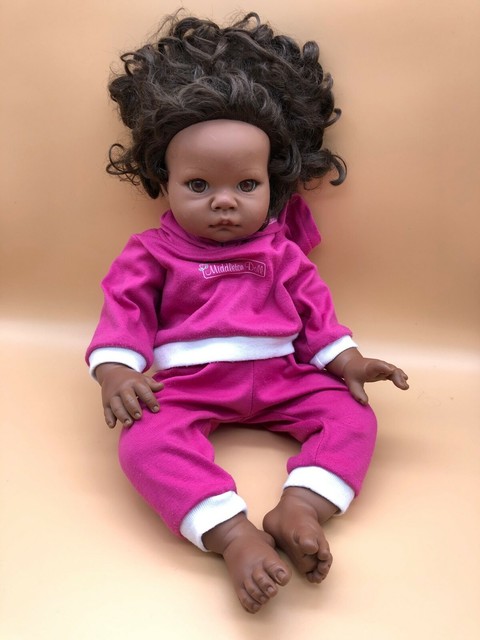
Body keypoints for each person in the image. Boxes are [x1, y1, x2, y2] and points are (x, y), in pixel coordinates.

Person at [86, 13, 409, 614]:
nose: (224, 202)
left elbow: (316, 311)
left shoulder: (280, 251)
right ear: (164, 180)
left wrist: (349, 362)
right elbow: (122, 313)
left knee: (354, 418)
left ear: (272, 184)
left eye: (246, 186)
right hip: (187, 384)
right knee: (143, 446)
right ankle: (233, 535)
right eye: (199, 185)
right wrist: (116, 372)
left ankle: (301, 506)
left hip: (285, 374)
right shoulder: (150, 252)